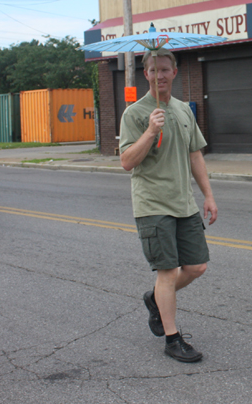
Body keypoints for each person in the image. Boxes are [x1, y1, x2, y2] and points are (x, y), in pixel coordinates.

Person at [119, 48, 218, 362]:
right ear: (144, 74)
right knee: (167, 272)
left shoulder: (184, 110)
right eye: (152, 70)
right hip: (152, 204)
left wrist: (209, 195)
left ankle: (154, 300)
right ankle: (172, 339)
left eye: (164, 69)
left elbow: (195, 156)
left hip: (184, 203)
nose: (159, 75)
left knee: (197, 266)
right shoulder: (135, 114)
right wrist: (150, 131)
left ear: (174, 72)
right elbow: (126, 161)